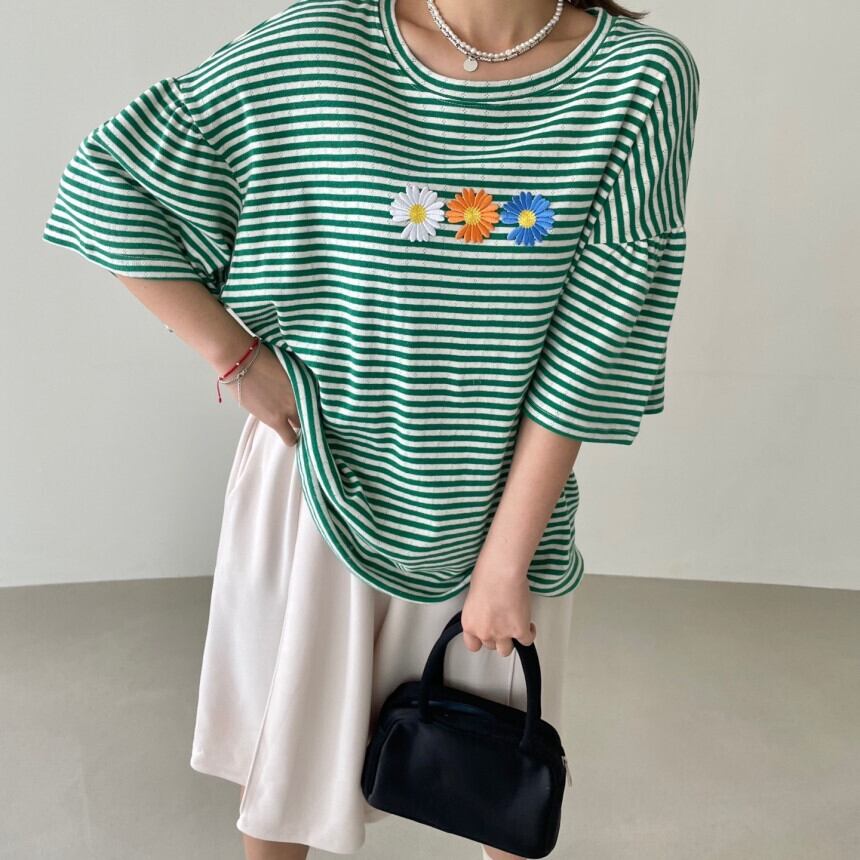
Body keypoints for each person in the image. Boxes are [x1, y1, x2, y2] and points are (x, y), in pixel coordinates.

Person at [41, 0, 700, 857]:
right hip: (320, 481)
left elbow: (596, 340)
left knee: (506, 791)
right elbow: (107, 182)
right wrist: (236, 358)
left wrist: (506, 561)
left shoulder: (639, 81)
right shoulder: (320, 45)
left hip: (504, 502)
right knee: (281, 792)